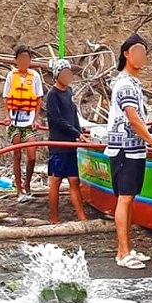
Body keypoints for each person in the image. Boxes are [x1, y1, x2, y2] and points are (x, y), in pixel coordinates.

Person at [105, 34, 152, 270]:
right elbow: (132, 117)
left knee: (130, 198)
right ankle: (122, 252)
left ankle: (127, 248)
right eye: (137, 51)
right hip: (124, 147)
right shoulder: (124, 83)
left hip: (134, 149)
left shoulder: (134, 82)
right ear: (126, 54)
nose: (141, 56)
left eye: (144, 52)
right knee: (124, 198)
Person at [45, 58, 88, 224]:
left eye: (69, 73)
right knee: (55, 180)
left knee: (74, 180)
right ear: (57, 75)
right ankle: (54, 219)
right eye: (64, 73)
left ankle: (81, 217)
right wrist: (76, 133)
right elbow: (57, 120)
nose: (68, 76)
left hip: (72, 144)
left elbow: (73, 115)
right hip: (59, 144)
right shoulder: (52, 95)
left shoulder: (69, 92)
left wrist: (81, 132)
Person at [2, 45, 44, 203]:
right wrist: (7, 116)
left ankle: (27, 184)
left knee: (32, 156)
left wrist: (36, 119)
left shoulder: (35, 77)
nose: (23, 62)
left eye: (27, 58)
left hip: (28, 120)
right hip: (14, 121)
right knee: (17, 155)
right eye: (21, 59)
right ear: (16, 60)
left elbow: (39, 98)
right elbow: (6, 97)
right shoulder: (11, 76)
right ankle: (18, 189)